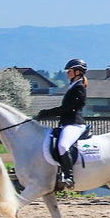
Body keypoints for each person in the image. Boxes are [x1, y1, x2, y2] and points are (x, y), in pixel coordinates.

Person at [36, 58, 88, 190]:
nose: (67, 73)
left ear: (78, 72)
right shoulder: (73, 86)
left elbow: (67, 108)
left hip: (75, 124)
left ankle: (68, 177)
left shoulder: (79, 88)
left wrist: (47, 113)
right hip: (66, 123)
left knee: (63, 146)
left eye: (69, 71)